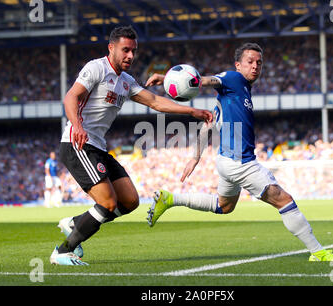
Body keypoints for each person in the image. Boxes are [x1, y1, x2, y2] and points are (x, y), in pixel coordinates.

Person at [145, 42, 333, 262]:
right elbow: (201, 81)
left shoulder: (233, 94)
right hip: (240, 162)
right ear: (238, 65)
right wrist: (166, 78)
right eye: (250, 62)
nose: (255, 66)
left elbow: (208, 123)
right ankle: (318, 252)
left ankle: (170, 199)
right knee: (284, 200)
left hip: (226, 161)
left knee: (224, 206)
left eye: (259, 62)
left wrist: (195, 158)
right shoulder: (234, 79)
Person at [50, 25, 212, 266]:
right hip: (78, 143)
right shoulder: (96, 68)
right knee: (107, 203)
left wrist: (192, 110)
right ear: (111, 48)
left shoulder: (126, 81)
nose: (130, 56)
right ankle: (63, 251)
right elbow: (70, 97)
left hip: (98, 147)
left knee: (130, 201)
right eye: (125, 50)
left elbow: (156, 101)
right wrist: (78, 126)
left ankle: (76, 223)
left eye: (133, 51)